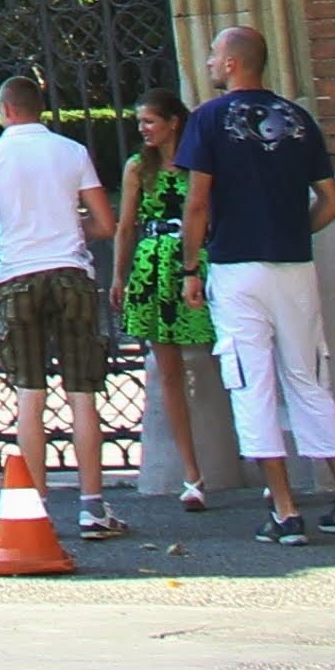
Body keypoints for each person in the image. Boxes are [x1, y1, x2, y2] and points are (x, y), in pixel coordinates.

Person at [178, 23, 335, 542]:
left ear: (232, 63)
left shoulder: (208, 119)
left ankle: (285, 510)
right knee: (309, 379)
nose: (209, 62)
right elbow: (332, 202)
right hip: (294, 266)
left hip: (236, 267)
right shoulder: (297, 119)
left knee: (251, 383)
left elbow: (197, 203)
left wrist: (191, 268)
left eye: (214, 55)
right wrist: (292, 232)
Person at [0, 73, 126, 538]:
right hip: (70, 273)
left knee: (30, 395)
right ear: (38, 108)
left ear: (6, 109)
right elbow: (106, 223)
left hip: (18, 277)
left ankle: (38, 509)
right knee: (82, 394)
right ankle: (92, 507)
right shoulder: (72, 152)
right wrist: (70, 227)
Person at [117, 85, 220, 513]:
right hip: (154, 265)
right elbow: (126, 225)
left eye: (150, 121)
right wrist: (119, 275)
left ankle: (261, 462)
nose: (143, 129)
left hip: (199, 258)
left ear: (173, 122)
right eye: (140, 122)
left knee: (231, 360)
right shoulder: (138, 167)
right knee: (169, 370)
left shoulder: (200, 161)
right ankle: (191, 474)